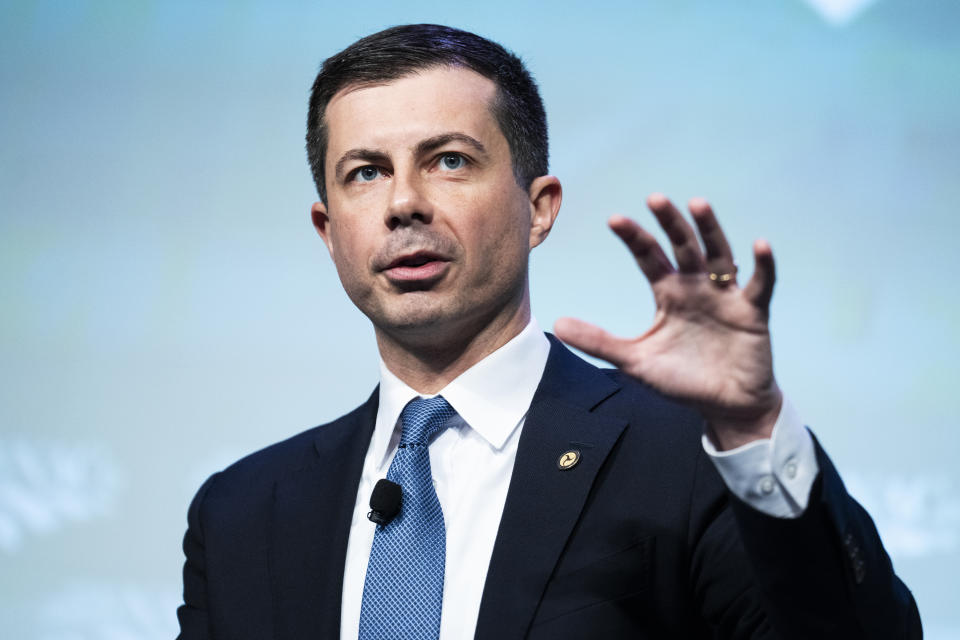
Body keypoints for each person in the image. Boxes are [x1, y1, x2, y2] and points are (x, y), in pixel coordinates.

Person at [176, 24, 920, 639]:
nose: (403, 203)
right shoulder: (243, 513)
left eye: (448, 161)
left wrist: (753, 425)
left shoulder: (688, 458)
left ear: (539, 208)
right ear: (328, 229)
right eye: (365, 173)